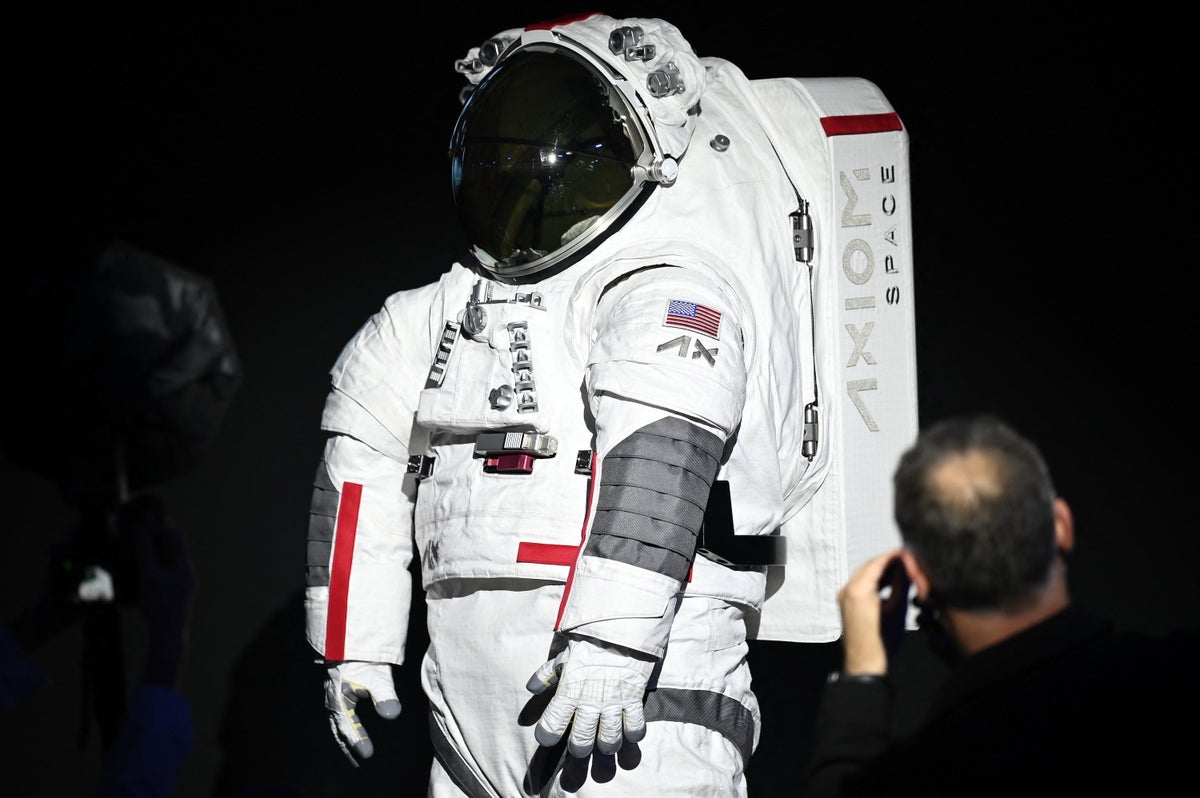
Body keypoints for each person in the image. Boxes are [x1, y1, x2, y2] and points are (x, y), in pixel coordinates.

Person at [302, 12, 915, 797]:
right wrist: (352, 644)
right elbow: (361, 462)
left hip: (640, 686)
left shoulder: (664, 285)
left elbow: (664, 454)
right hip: (462, 694)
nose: (535, 176)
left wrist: (615, 645)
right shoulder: (432, 312)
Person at [801, 414, 1200, 796]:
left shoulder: (927, 774)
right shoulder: (1178, 677)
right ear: (1061, 524)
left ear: (916, 577)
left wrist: (862, 678)